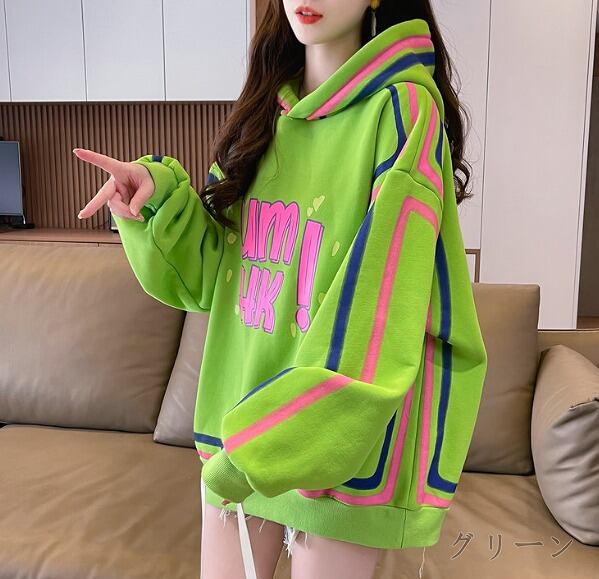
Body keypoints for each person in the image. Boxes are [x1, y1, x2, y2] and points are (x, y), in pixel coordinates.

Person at [75, 0, 488, 577]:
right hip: (241, 428)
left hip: (336, 451)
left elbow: (383, 305)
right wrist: (157, 199)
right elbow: (218, 278)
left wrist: (278, 442)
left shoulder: (400, 110)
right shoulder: (263, 113)